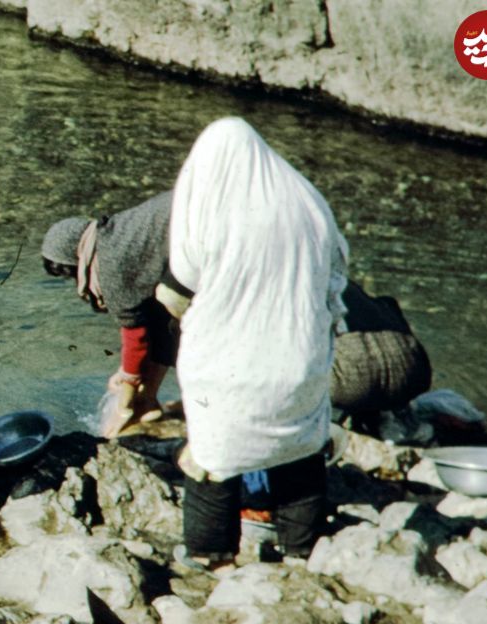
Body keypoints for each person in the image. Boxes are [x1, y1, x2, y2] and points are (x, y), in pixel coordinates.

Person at [157, 117, 347, 560]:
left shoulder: (213, 205)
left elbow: (179, 286)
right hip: (299, 361)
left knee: (213, 459)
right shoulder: (308, 201)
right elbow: (335, 281)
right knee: (298, 451)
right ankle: (304, 553)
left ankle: (212, 557)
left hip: (229, 369)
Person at [40, 190, 178, 436]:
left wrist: (124, 396)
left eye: (69, 274)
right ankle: (147, 401)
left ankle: (135, 409)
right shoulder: (117, 233)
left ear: (74, 258)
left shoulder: (110, 261)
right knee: (166, 318)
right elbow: (160, 322)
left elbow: (135, 334)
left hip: (207, 225)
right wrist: (131, 377)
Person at [331, 278, 431, 431]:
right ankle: (375, 417)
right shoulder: (339, 277)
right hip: (414, 372)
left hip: (353, 386)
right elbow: (390, 303)